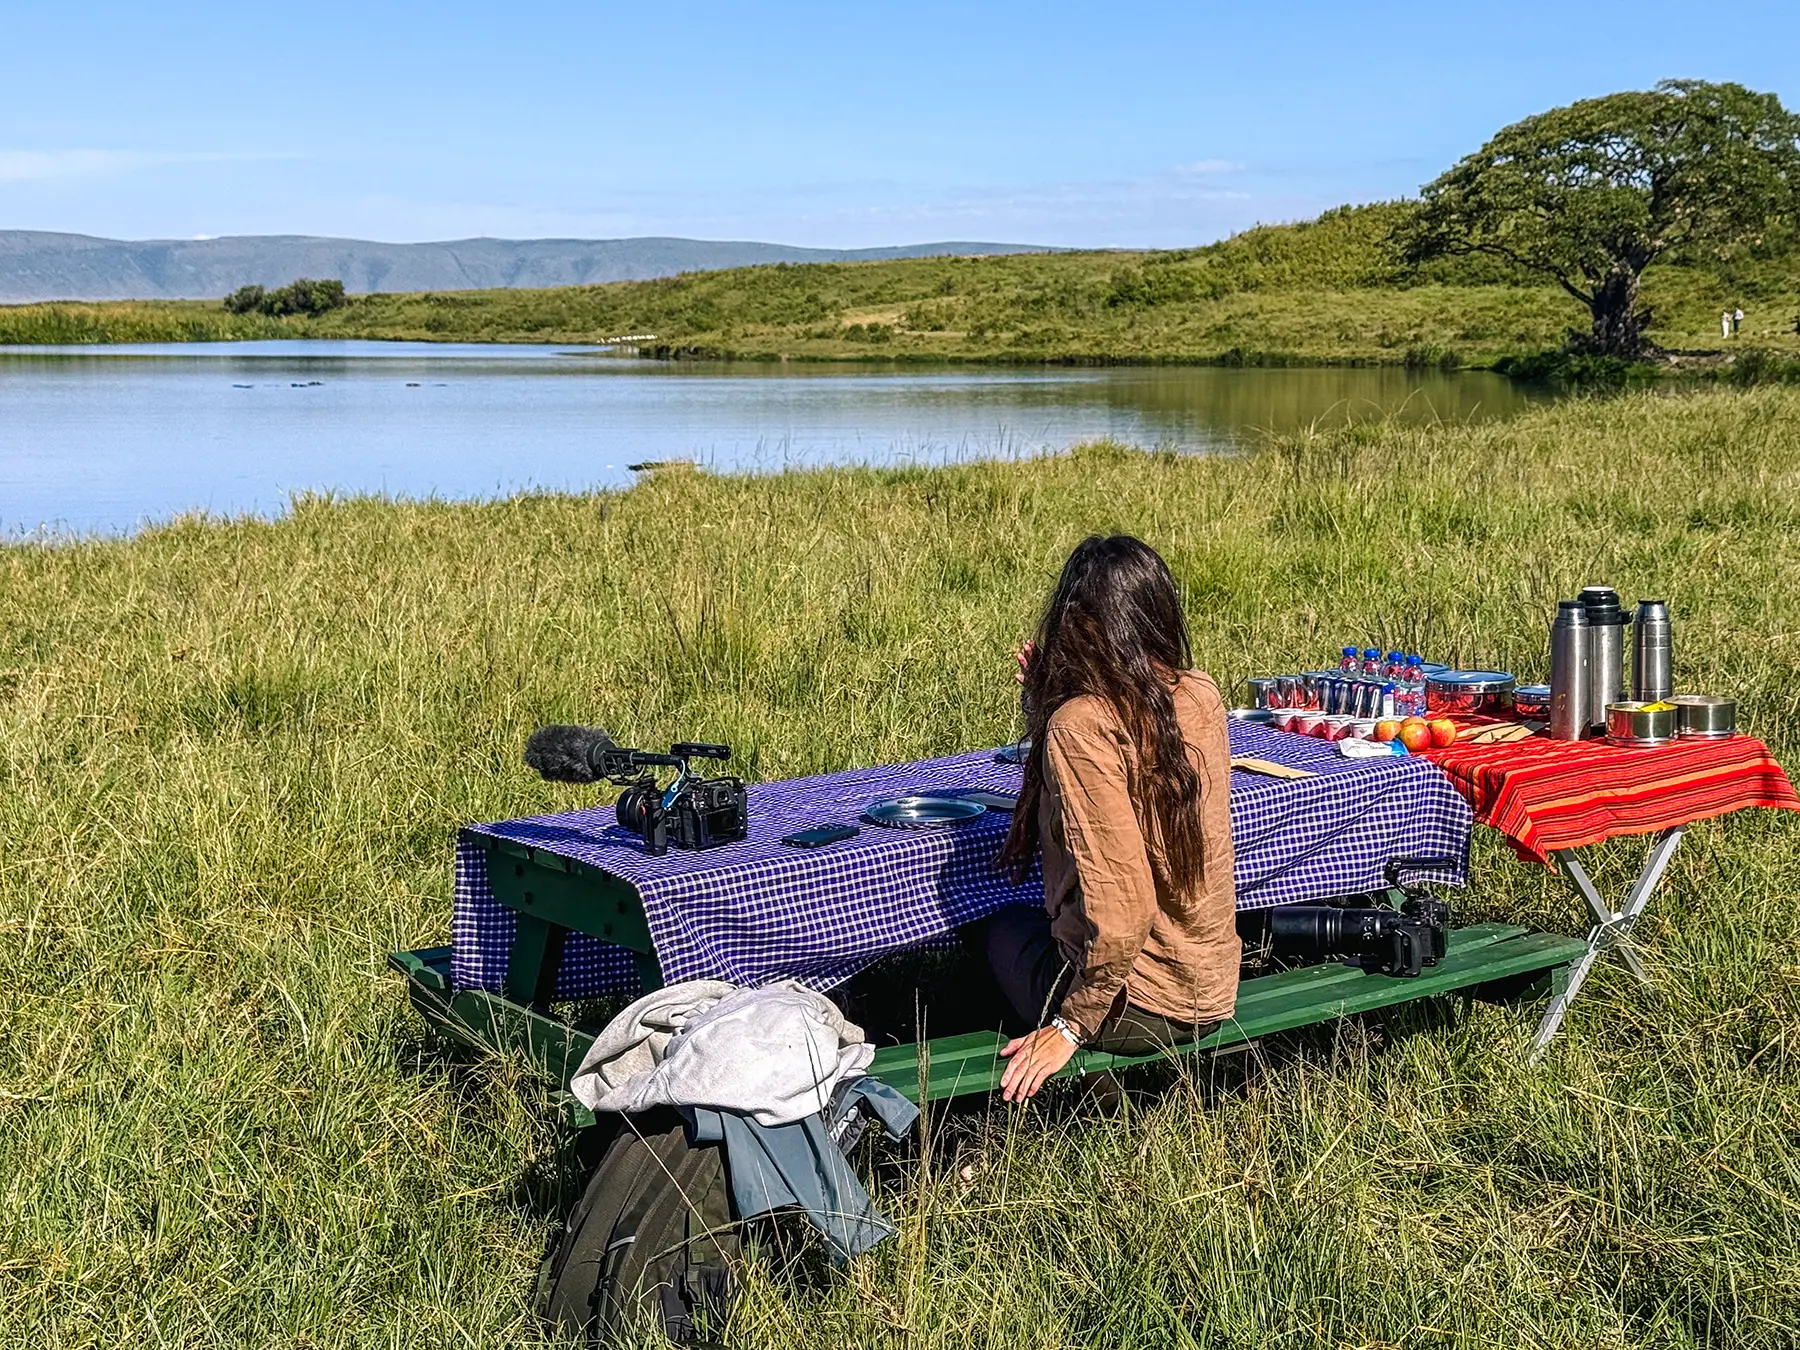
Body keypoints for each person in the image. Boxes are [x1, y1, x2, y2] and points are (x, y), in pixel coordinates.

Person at [984, 535, 1237, 1102]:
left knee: (991, 931)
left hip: (1140, 1005)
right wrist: (1044, 705)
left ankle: (1072, 1097)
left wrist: (1073, 1023)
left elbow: (1124, 910)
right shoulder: (1201, 694)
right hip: (1211, 985)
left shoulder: (1081, 724)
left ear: (1079, 626)